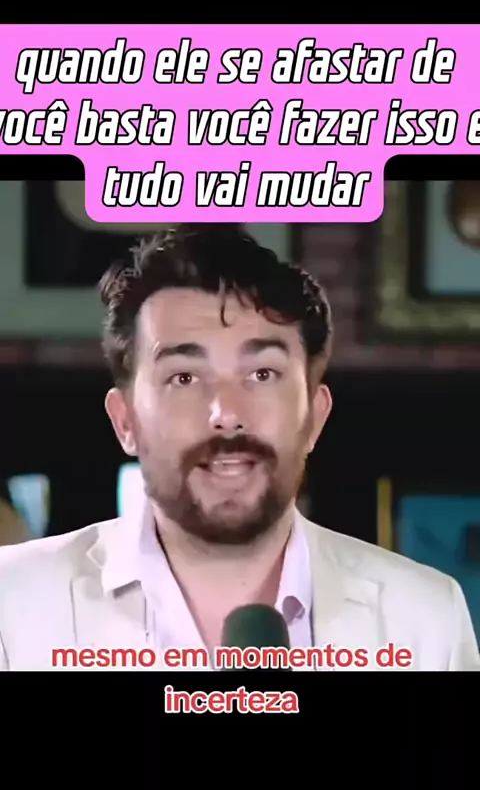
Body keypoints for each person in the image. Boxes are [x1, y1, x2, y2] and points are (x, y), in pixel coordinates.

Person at [0, 224, 478, 671]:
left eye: (262, 374)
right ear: (126, 421)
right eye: (184, 377)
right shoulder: (13, 605)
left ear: (314, 417)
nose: (226, 413)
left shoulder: (424, 620)